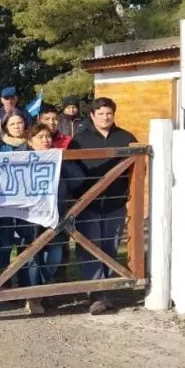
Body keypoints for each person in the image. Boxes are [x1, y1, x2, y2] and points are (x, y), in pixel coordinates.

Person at [67, 97, 137, 314]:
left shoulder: (126, 137)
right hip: (88, 204)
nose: (106, 117)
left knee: (110, 246)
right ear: (92, 115)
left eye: (109, 113)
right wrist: (79, 197)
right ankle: (96, 293)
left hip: (116, 202)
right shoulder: (79, 140)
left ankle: (107, 289)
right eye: (101, 114)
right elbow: (70, 171)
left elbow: (136, 168)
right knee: (89, 247)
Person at [15, 123, 71, 313]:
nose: (46, 140)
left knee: (54, 256)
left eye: (48, 136)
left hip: (56, 214)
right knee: (31, 256)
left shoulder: (60, 158)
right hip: (29, 217)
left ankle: (44, 285)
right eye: (40, 137)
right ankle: (33, 297)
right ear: (30, 141)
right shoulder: (20, 160)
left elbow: (76, 180)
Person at [0, 109, 31, 287]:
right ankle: (3, 281)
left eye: (19, 123)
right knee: (5, 241)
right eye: (12, 124)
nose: (17, 126)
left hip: (27, 200)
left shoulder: (33, 143)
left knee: (27, 240)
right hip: (5, 200)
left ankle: (26, 280)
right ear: (5, 126)